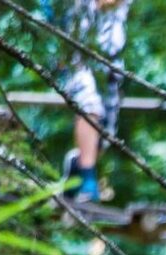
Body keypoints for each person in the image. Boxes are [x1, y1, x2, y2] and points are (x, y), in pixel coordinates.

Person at [58, 0, 134, 202]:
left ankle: (76, 166)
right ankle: (88, 180)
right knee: (89, 104)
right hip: (78, 59)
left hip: (110, 62)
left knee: (105, 136)